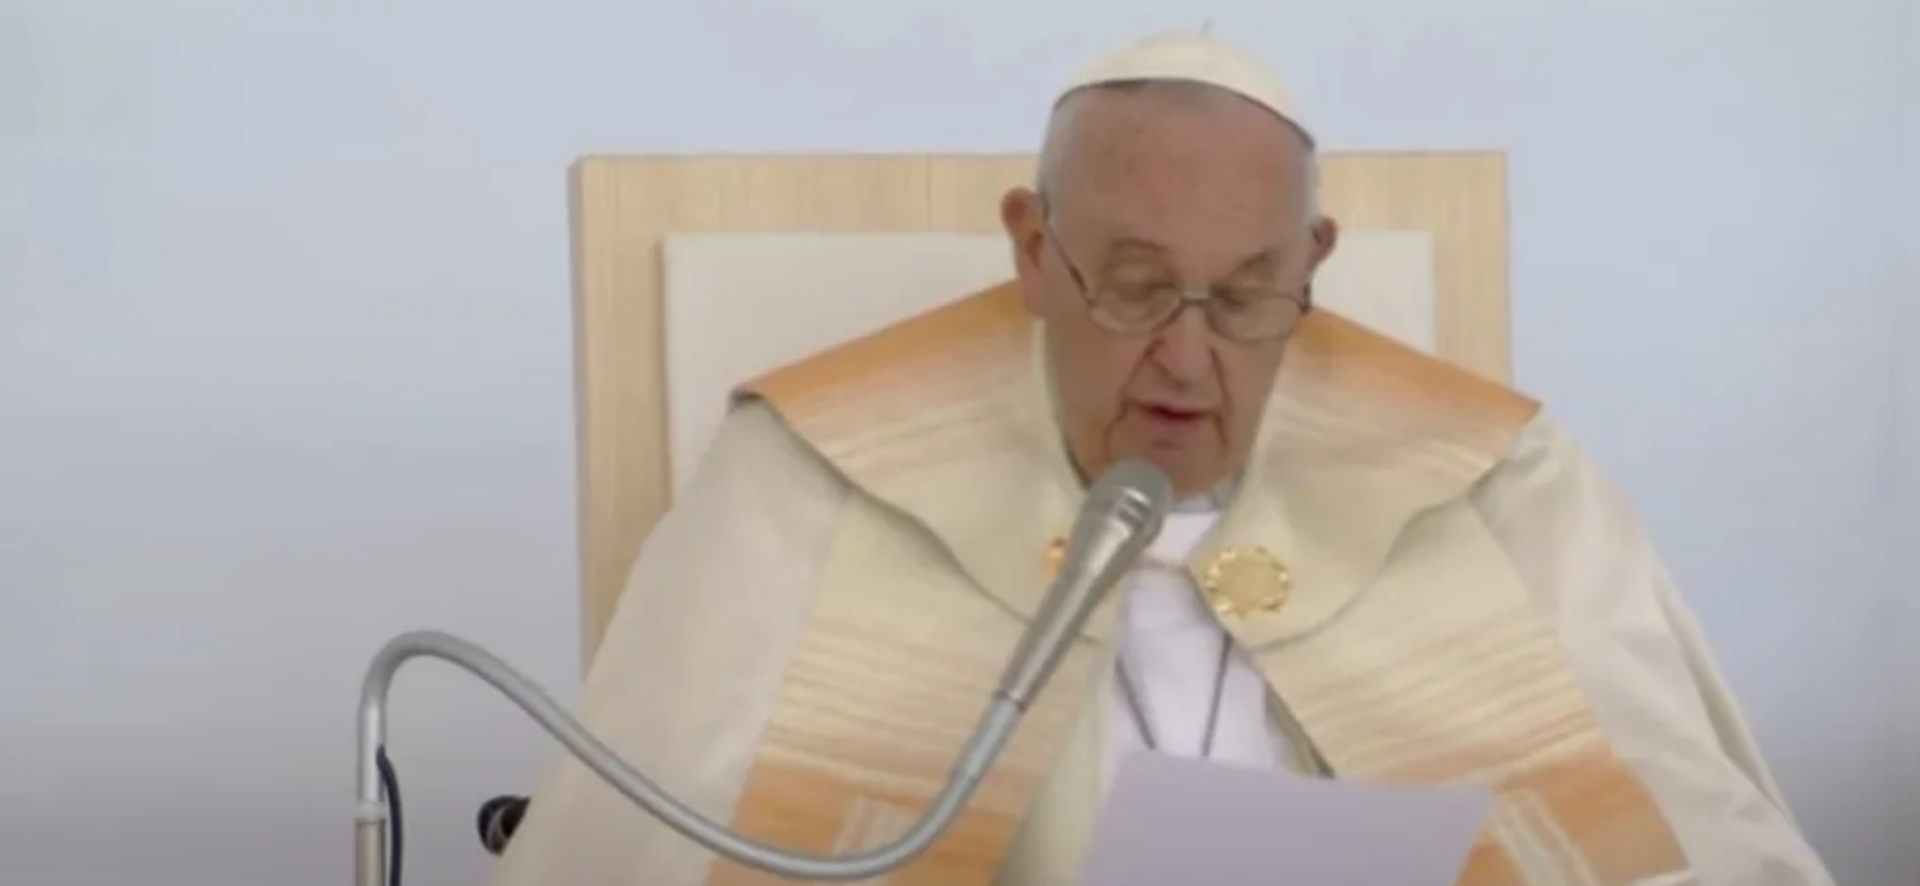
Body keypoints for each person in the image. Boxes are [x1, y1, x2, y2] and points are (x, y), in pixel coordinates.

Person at [488, 31, 1834, 886]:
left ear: (1313, 264)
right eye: (1133, 287)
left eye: (1249, 296)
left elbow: (1679, 846)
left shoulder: (1487, 477)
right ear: (1031, 246)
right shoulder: (819, 467)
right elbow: (642, 852)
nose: (1190, 362)